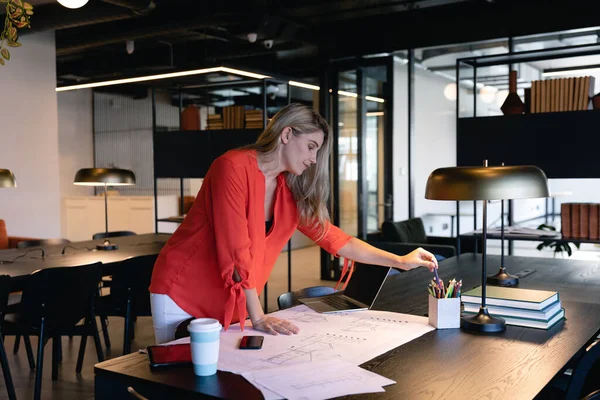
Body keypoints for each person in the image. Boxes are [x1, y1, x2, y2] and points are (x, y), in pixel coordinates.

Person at [149, 103, 439, 343]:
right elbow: (237, 251)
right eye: (311, 146)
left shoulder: (289, 191)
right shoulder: (232, 166)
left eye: (317, 150)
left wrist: (399, 260)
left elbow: (336, 239)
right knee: (177, 378)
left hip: (236, 299)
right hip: (183, 290)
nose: (314, 159)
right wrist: (258, 316)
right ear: (287, 134)